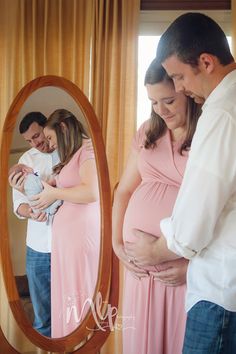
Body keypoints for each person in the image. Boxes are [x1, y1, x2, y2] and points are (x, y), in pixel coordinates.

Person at [125, 13, 236, 354]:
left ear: (206, 62)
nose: (180, 87)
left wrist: (155, 250)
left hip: (217, 288)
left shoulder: (222, 112)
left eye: (179, 77)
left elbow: (198, 211)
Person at [112, 58, 201, 354]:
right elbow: (124, 191)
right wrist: (117, 246)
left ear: (186, 91)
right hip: (139, 271)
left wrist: (192, 268)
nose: (161, 111)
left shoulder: (208, 134)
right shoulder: (149, 131)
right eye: (153, 102)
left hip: (179, 272)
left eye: (168, 101)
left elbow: (221, 214)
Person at [31, 108, 100, 338]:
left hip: (80, 238)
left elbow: (92, 192)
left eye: (50, 137)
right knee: (69, 294)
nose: (50, 144)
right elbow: (66, 188)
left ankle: (82, 342)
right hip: (69, 241)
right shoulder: (75, 153)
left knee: (79, 295)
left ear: (62, 128)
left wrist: (55, 194)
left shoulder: (88, 150)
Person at [9, 112, 60, 337]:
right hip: (37, 248)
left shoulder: (69, 150)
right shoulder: (26, 161)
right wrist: (30, 211)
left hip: (66, 243)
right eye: (29, 140)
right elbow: (18, 204)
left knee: (71, 310)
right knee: (42, 318)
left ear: (46, 126)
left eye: (37, 135)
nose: (35, 143)